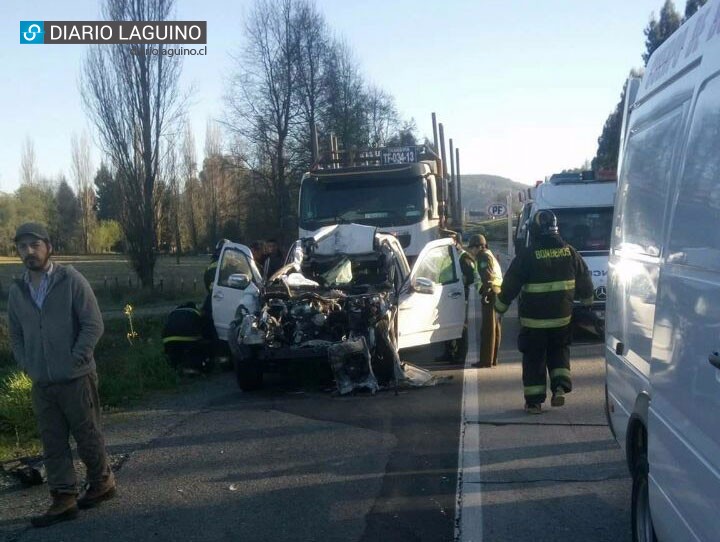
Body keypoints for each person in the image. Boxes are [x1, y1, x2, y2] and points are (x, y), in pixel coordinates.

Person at [7, 223, 115, 527]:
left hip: (76, 377)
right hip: (42, 381)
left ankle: (102, 481)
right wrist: (27, 363)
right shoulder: (18, 291)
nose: (28, 252)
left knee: (87, 436)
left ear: (48, 247)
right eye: (22, 247)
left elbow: (93, 324)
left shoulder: (70, 280)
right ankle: (63, 497)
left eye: (34, 245)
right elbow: (15, 333)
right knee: (52, 441)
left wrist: (75, 359)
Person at [494, 210, 593, 414]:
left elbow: (511, 284)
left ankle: (534, 402)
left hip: (534, 322)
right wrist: (587, 301)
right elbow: (585, 279)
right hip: (562, 319)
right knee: (559, 351)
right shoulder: (570, 252)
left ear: (536, 230)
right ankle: (559, 387)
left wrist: (499, 308)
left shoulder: (527, 256)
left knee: (534, 358)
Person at [467, 234, 503, 368]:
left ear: (478, 247)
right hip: (497, 291)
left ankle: (485, 360)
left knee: (488, 328)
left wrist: (486, 293)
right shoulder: (489, 254)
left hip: (490, 292)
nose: (471, 251)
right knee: (495, 327)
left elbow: (487, 276)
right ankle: (493, 359)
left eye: (472, 248)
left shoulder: (483, 257)